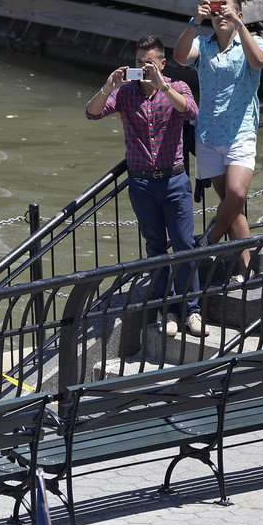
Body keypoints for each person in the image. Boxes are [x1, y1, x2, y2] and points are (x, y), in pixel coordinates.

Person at [85, 37, 202, 336]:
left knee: (184, 245)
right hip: (141, 183)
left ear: (162, 63)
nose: (143, 67)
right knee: (155, 248)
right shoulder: (125, 93)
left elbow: (190, 112)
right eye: (139, 63)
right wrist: (107, 87)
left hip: (174, 179)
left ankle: (191, 309)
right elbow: (92, 113)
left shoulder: (177, 87)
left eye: (149, 62)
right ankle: (166, 311)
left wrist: (163, 85)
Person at [172, 0, 263, 278]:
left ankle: (207, 243)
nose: (220, 16)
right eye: (216, 12)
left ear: (239, 15)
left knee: (236, 195)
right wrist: (195, 21)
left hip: (240, 131)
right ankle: (246, 271)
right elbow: (178, 57)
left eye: (227, 11)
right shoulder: (202, 45)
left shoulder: (253, 40)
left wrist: (239, 25)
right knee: (232, 204)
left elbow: (259, 62)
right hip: (208, 135)